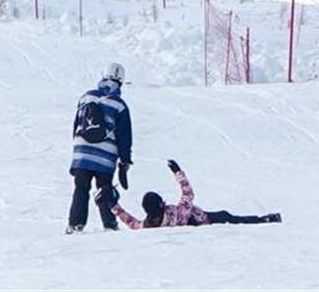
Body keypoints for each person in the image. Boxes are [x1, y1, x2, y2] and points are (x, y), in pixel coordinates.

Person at [102, 159, 281, 229]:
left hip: (196, 221)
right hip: (205, 219)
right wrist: (178, 172)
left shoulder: (149, 225)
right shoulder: (174, 213)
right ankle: (265, 219)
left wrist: (113, 206)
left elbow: (131, 222)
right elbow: (188, 194)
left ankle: (265, 219)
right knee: (229, 217)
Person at [66, 62, 133, 234]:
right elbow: (124, 136)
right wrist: (125, 160)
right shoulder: (119, 105)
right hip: (105, 156)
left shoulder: (86, 97)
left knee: (81, 188)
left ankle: (75, 225)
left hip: (82, 153)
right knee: (105, 188)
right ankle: (109, 224)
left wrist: (78, 149)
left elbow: (76, 125)